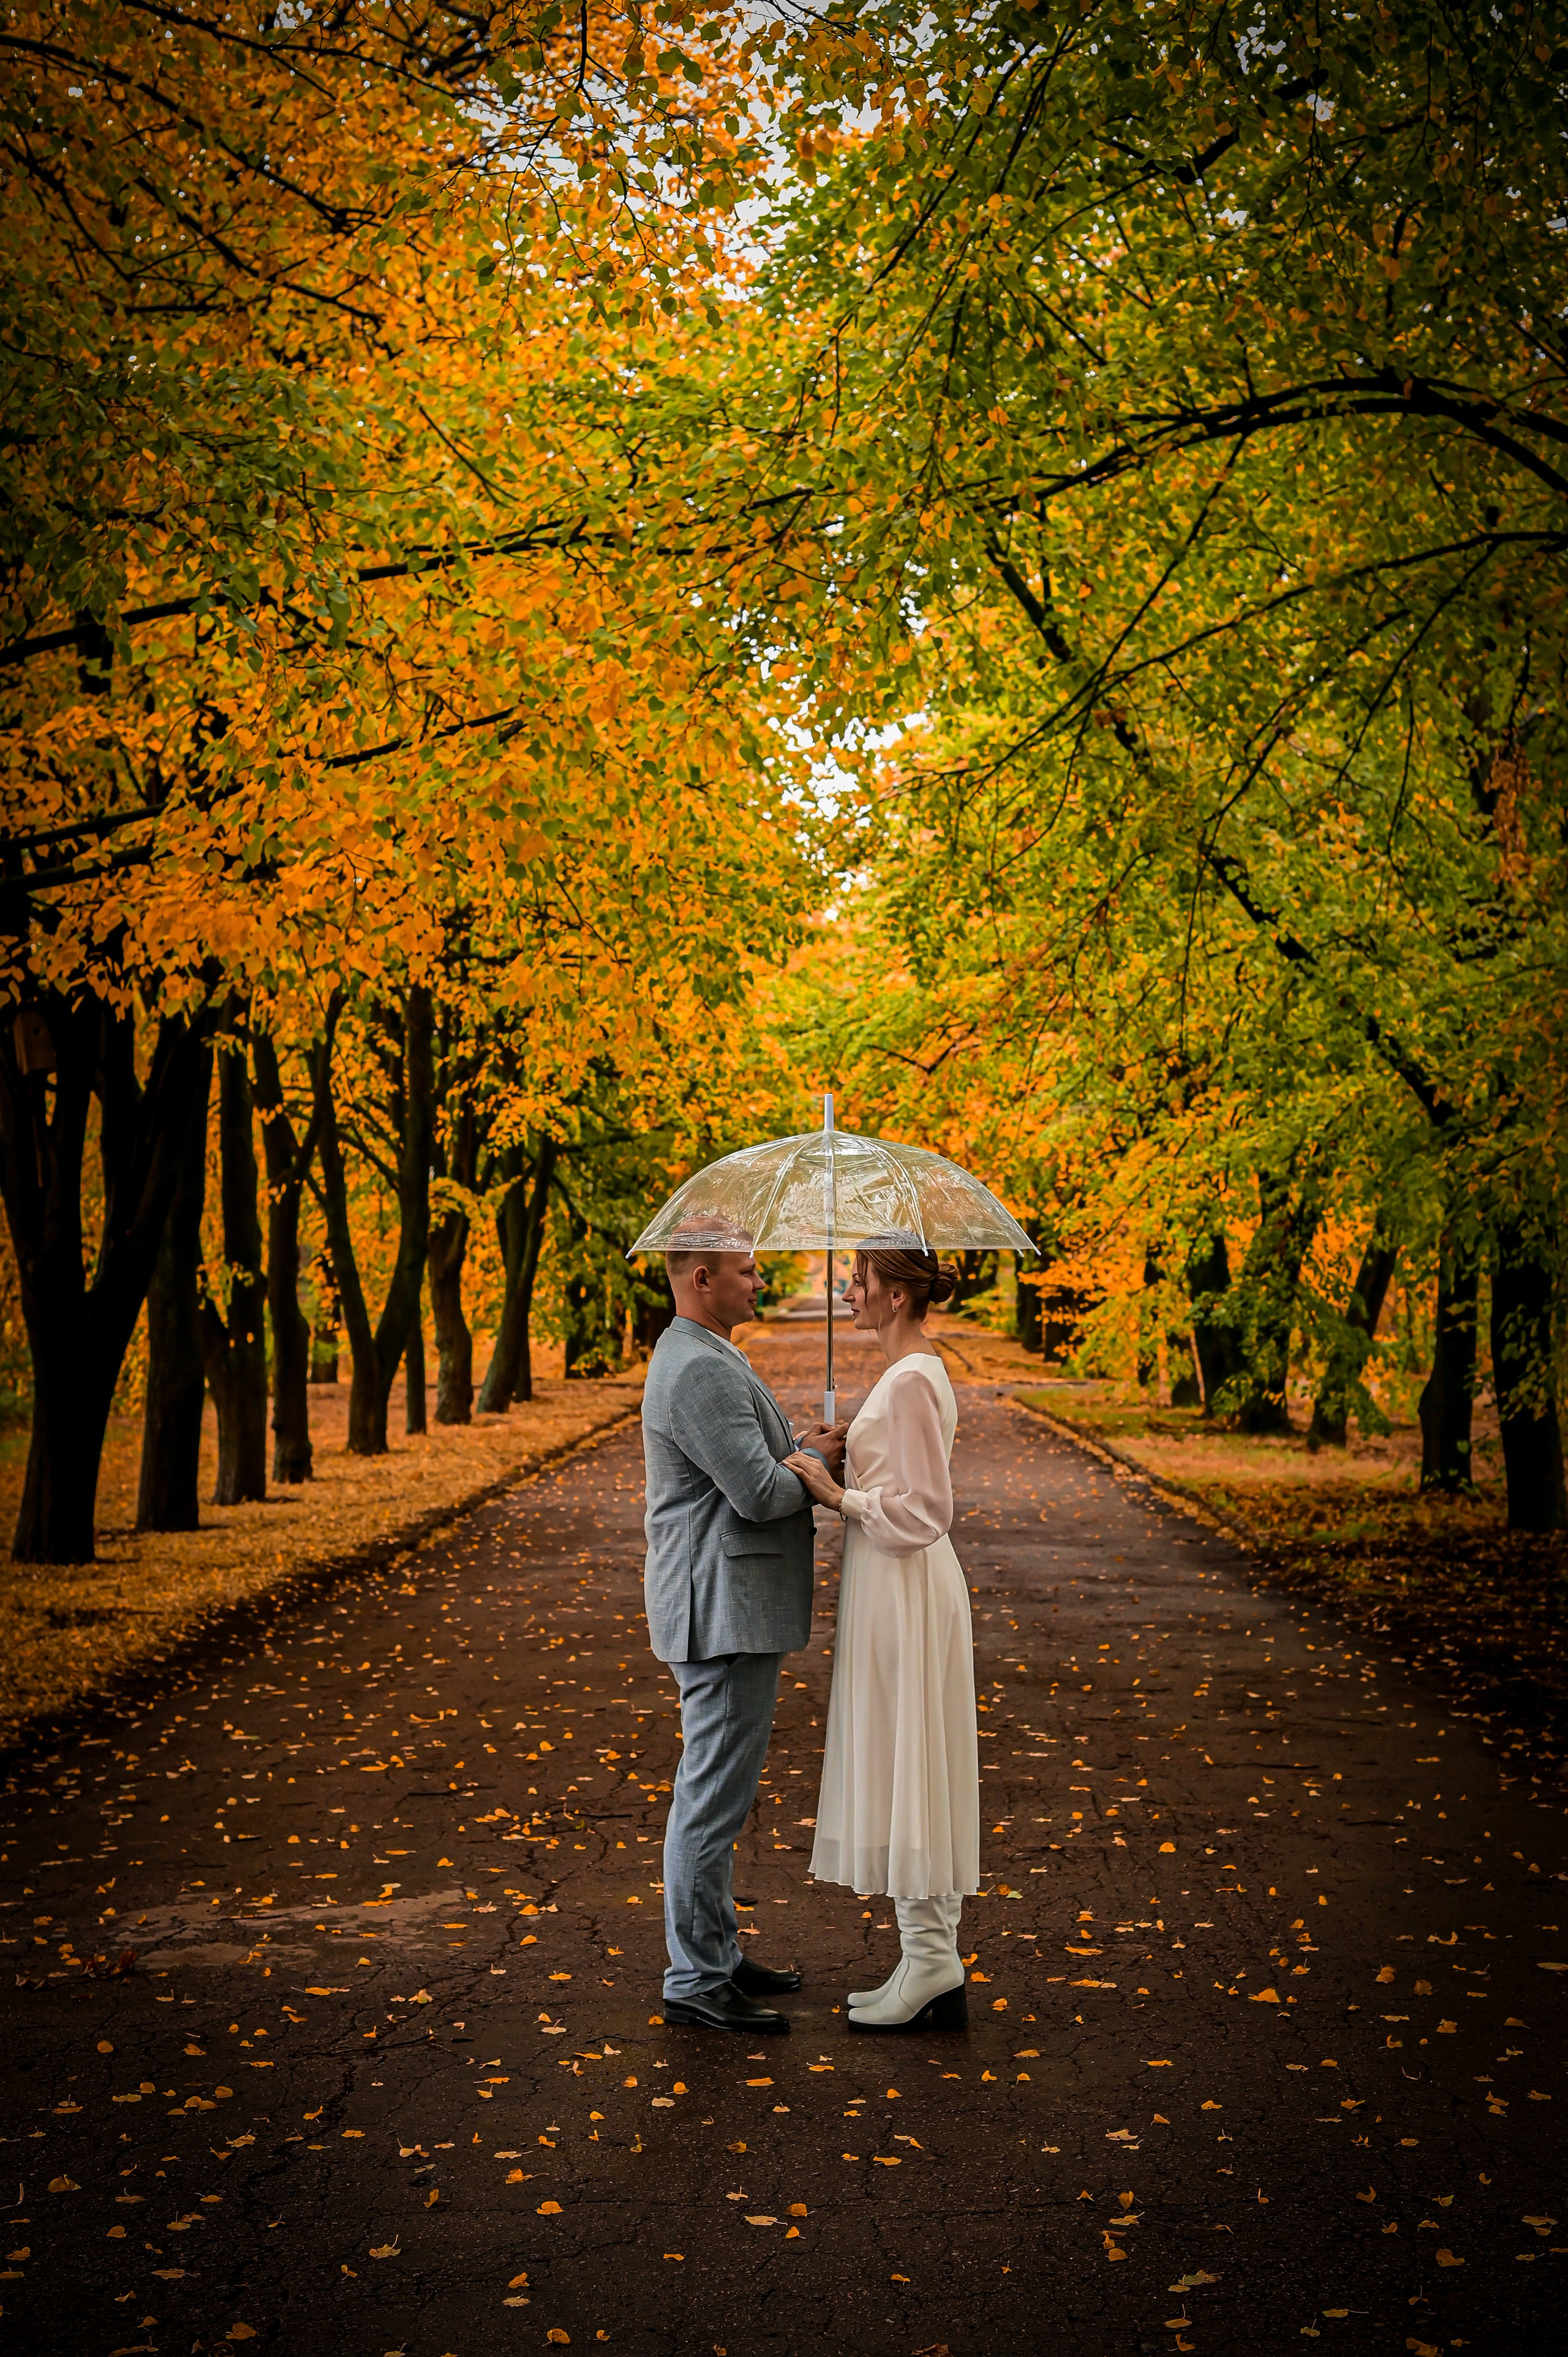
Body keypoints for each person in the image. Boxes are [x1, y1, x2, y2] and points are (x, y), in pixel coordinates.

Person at [641, 1229, 845, 2034]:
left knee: (720, 1795)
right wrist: (815, 1468)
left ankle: (716, 1954)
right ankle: (696, 1977)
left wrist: (803, 1452)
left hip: (726, 1604)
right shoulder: (696, 1367)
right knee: (710, 1800)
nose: (759, 1281)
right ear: (703, 1278)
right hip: (717, 1611)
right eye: (747, 1271)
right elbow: (759, 1493)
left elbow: (755, 1464)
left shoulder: (709, 1353)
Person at [784, 1241, 978, 2032]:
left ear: (897, 1295)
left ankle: (931, 1959)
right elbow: (900, 1482)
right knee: (910, 1757)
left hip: (907, 1590)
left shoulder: (911, 1380)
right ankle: (927, 1957)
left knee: (912, 1757)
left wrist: (839, 1497)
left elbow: (927, 1511)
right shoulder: (909, 1374)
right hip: (893, 1586)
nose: (848, 1293)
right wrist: (850, 1461)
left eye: (858, 1281)